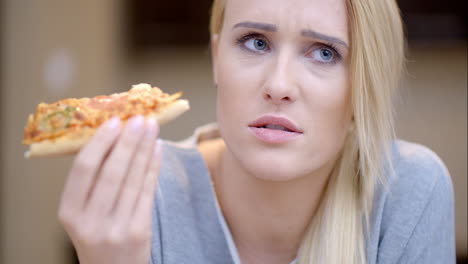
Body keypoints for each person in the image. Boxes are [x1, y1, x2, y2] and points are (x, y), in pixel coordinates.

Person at [57, 0, 456, 263]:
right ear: (217, 57)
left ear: (364, 83)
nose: (279, 85)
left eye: (324, 52)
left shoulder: (407, 192)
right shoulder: (142, 194)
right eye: (255, 42)